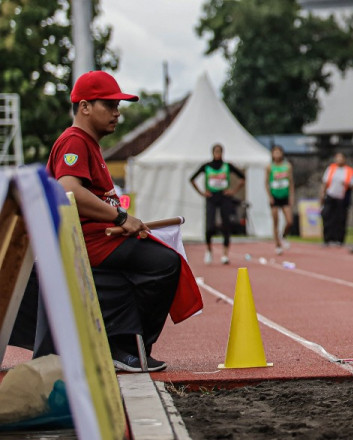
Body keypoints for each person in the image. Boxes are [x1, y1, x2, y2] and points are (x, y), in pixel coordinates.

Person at [23, 71, 200, 372]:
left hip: (101, 240)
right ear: (85, 106)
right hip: (90, 243)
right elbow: (69, 190)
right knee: (165, 264)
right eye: (109, 104)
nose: (117, 113)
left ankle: (125, 344)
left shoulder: (89, 144)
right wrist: (121, 217)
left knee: (162, 259)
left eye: (118, 105)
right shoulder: (75, 141)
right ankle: (123, 347)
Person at [189, 143, 245, 265]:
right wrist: (202, 192)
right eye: (216, 151)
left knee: (226, 225)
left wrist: (233, 191)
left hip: (224, 197)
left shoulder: (227, 166)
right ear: (212, 153)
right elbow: (192, 179)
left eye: (220, 151)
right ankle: (209, 250)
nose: (218, 154)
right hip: (211, 198)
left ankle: (225, 254)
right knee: (210, 226)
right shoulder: (207, 166)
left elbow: (242, 178)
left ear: (223, 153)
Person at [319, 152, 353, 247]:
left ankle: (339, 239)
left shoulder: (349, 170)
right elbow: (324, 182)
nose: (339, 160)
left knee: (340, 219)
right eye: (337, 158)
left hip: (342, 198)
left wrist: (346, 184)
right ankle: (327, 238)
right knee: (327, 217)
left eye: (341, 158)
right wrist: (322, 195)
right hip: (331, 195)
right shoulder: (331, 168)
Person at [265, 145, 294, 255]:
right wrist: (270, 196)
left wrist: (291, 196)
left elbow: (291, 182)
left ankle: (284, 235)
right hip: (275, 196)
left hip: (285, 196)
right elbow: (266, 183)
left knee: (290, 221)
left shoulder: (287, 166)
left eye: (279, 152)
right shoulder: (269, 167)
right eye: (275, 152)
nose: (277, 154)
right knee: (275, 221)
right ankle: (277, 245)